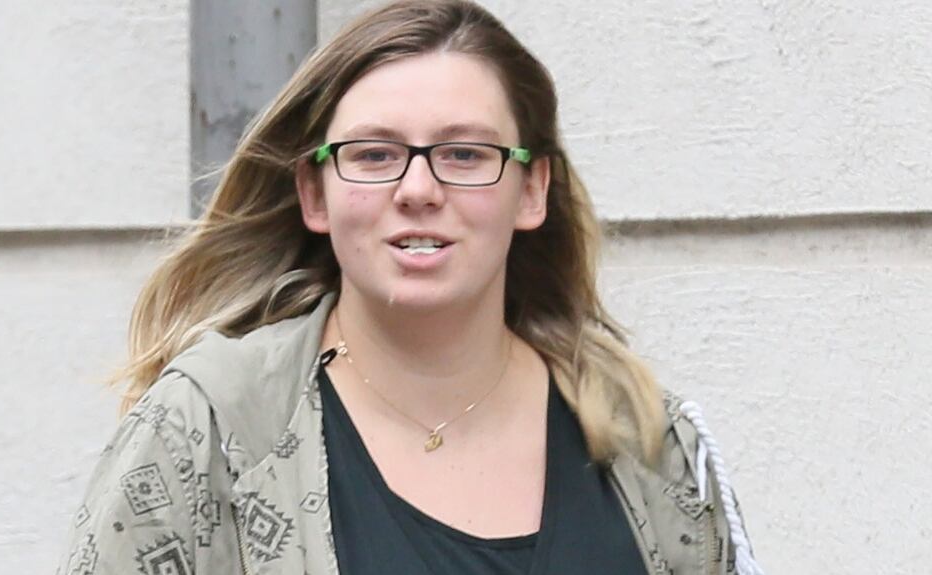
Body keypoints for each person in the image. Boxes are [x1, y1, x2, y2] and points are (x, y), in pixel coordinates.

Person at [59, 1, 764, 573]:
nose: (418, 188)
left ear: (532, 190)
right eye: (374, 154)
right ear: (315, 193)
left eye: (465, 153)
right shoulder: (211, 427)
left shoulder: (645, 445)